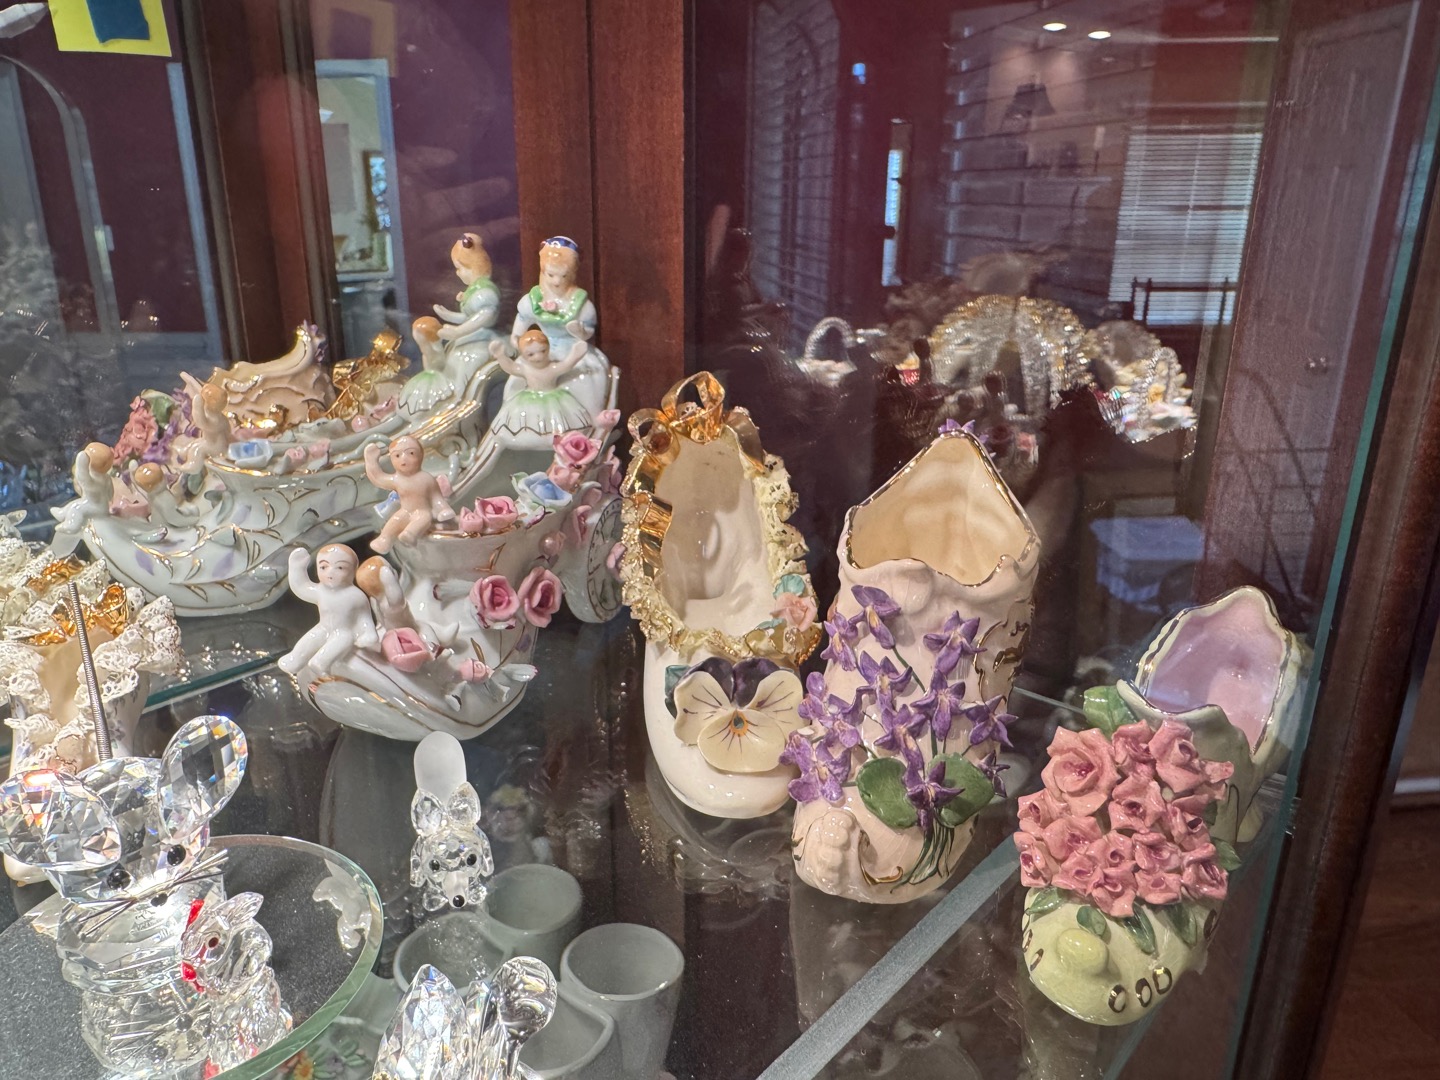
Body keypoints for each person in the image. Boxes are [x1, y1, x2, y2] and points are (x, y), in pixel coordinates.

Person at [279, 544, 380, 675]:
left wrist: (369, 633)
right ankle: (294, 660)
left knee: (341, 641)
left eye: (340, 567)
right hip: (324, 628)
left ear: (352, 570)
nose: (330, 573)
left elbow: (364, 617)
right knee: (311, 638)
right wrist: (297, 567)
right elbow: (301, 587)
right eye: (323, 567)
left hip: (344, 632)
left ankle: (320, 663)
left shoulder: (356, 596)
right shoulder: (321, 591)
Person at [487, 328, 592, 439]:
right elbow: (511, 368)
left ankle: (554, 439)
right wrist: (501, 356)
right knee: (530, 420)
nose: (538, 357)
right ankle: (530, 438)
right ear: (523, 355)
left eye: (543, 351)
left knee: (555, 421)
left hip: (554, 398)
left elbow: (566, 365)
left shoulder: (553, 367)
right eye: (530, 354)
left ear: (548, 349)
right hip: (529, 399)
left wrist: (575, 355)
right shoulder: (525, 369)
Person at [364, 435, 456, 552]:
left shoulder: (426, 478)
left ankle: (410, 534)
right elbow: (378, 478)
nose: (404, 459)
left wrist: (444, 509)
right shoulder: (397, 480)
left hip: (422, 511)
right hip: (405, 511)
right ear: (391, 459)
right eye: (397, 455)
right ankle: (384, 540)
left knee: (423, 519)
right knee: (395, 520)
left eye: (411, 453)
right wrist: (371, 461)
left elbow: (436, 497)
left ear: (420, 455)